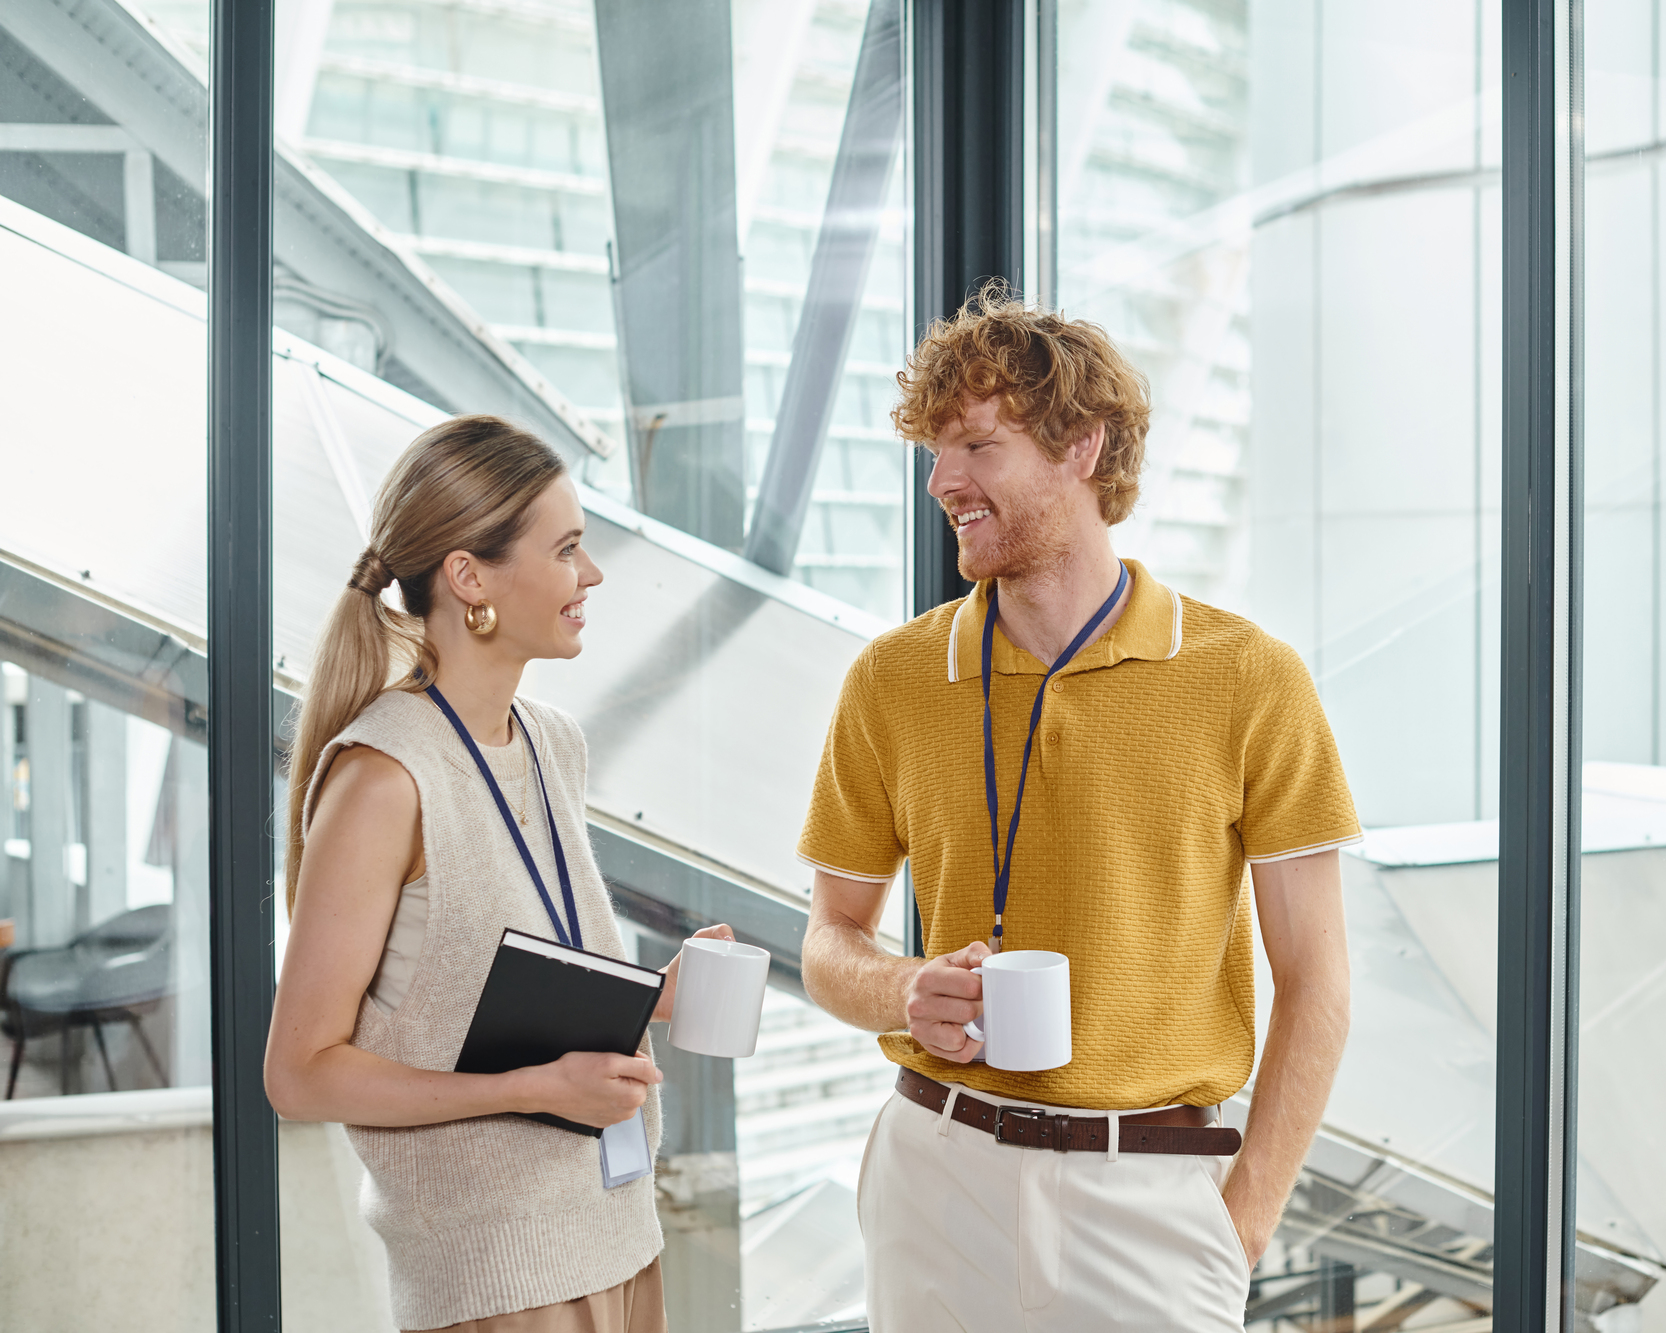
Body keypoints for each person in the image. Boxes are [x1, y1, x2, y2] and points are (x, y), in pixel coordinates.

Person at [797, 285, 1362, 1331]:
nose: (942, 481)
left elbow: (1317, 979)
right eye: (934, 452)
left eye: (975, 445)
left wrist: (1242, 1219)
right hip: (936, 1177)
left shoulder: (1248, 677)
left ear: (1081, 450)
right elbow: (829, 937)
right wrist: (900, 987)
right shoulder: (893, 678)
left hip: (1148, 1198)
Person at [265, 415, 731, 1333]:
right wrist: (528, 1090)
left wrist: (654, 997)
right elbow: (300, 1073)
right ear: (469, 577)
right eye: (565, 550)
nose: (590, 574)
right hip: (497, 1282)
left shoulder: (553, 742)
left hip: (620, 1239)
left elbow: (499, 979)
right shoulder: (384, 779)